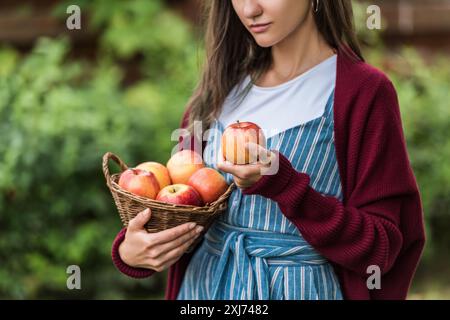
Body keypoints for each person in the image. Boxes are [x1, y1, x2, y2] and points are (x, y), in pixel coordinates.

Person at [111, 0, 425, 300]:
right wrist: (132, 250)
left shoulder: (363, 93)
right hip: (202, 290)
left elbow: (381, 248)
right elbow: (180, 205)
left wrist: (284, 184)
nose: (250, 9)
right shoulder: (218, 90)